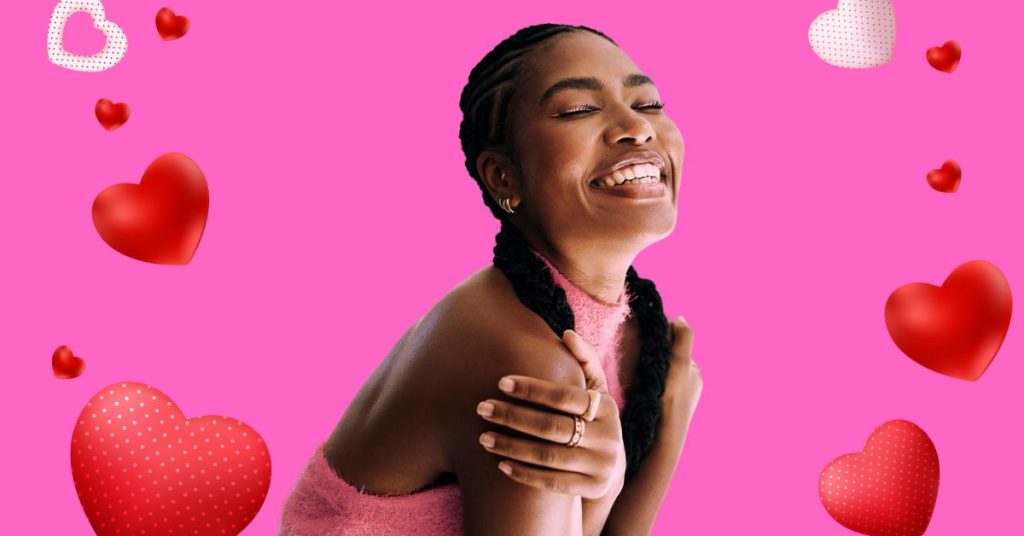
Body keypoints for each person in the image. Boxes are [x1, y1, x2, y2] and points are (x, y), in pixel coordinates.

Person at [279, 22, 703, 536]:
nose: (636, 128)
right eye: (577, 110)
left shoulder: (637, 341)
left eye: (649, 103)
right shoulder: (522, 360)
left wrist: (664, 431)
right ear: (503, 177)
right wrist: (608, 486)